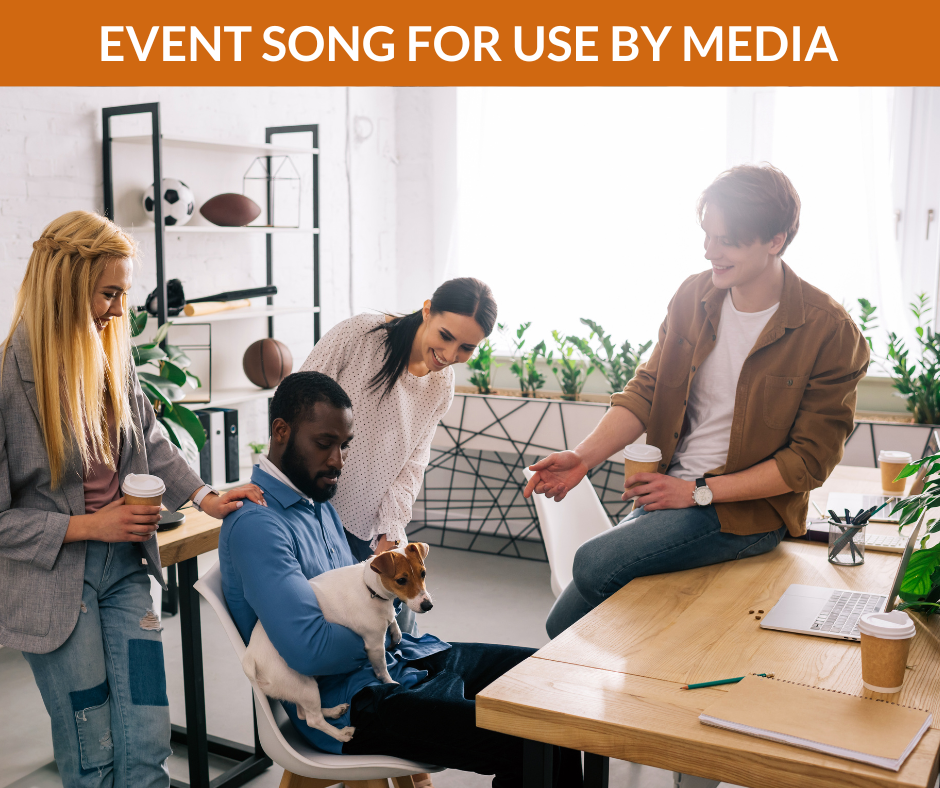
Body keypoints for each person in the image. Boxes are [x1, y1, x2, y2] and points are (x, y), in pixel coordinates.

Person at [524, 164, 870, 638]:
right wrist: (583, 458)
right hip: (668, 493)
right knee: (560, 626)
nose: (710, 251)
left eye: (726, 240)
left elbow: (808, 462)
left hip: (742, 512)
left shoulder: (830, 331)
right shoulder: (693, 295)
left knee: (592, 564)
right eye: (707, 235)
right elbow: (647, 389)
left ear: (775, 240)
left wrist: (698, 493)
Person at [0, 210, 264, 788]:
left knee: (147, 739)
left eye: (122, 292)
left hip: (125, 573)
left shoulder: (110, 359)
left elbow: (149, 441)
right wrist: (93, 526)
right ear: (64, 285)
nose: (121, 309)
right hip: (53, 588)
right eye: (109, 293)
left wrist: (204, 493)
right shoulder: (5, 379)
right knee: (92, 749)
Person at [219, 371, 582, 787]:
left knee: (554, 682)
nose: (338, 460)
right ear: (280, 431)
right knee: (534, 738)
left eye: (344, 446)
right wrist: (382, 635)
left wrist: (389, 630)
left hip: (406, 660)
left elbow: (366, 595)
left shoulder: (316, 502)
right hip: (358, 699)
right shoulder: (257, 526)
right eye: (324, 444)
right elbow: (311, 651)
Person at [299, 278, 497, 633]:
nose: (451, 356)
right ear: (426, 310)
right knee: (322, 627)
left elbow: (411, 465)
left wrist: (391, 530)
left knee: (401, 632)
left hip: (373, 522)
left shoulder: (441, 383)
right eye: (446, 336)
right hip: (313, 510)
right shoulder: (362, 335)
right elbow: (295, 403)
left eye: (467, 347)